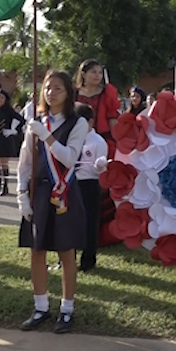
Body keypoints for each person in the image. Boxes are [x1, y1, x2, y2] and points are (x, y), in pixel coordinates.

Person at [17, 70, 89, 333]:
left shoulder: (77, 123)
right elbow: (25, 162)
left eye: (58, 88)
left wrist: (46, 136)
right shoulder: (37, 122)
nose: (51, 92)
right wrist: (21, 194)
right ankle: (40, 307)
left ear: (69, 92)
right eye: (48, 88)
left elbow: (70, 158)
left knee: (66, 251)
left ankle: (67, 310)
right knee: (37, 250)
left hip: (64, 193)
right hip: (39, 193)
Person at [73, 102, 108, 272]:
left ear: (91, 122)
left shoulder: (98, 141)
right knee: (69, 222)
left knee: (89, 223)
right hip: (72, 183)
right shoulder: (70, 139)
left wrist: (99, 166)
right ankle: (66, 258)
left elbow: (99, 169)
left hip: (89, 184)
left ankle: (88, 260)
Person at [75, 59, 121, 153]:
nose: (97, 75)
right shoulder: (73, 93)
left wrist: (119, 140)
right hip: (76, 138)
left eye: (100, 72)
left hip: (102, 138)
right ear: (83, 74)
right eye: (93, 72)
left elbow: (112, 118)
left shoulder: (107, 93)